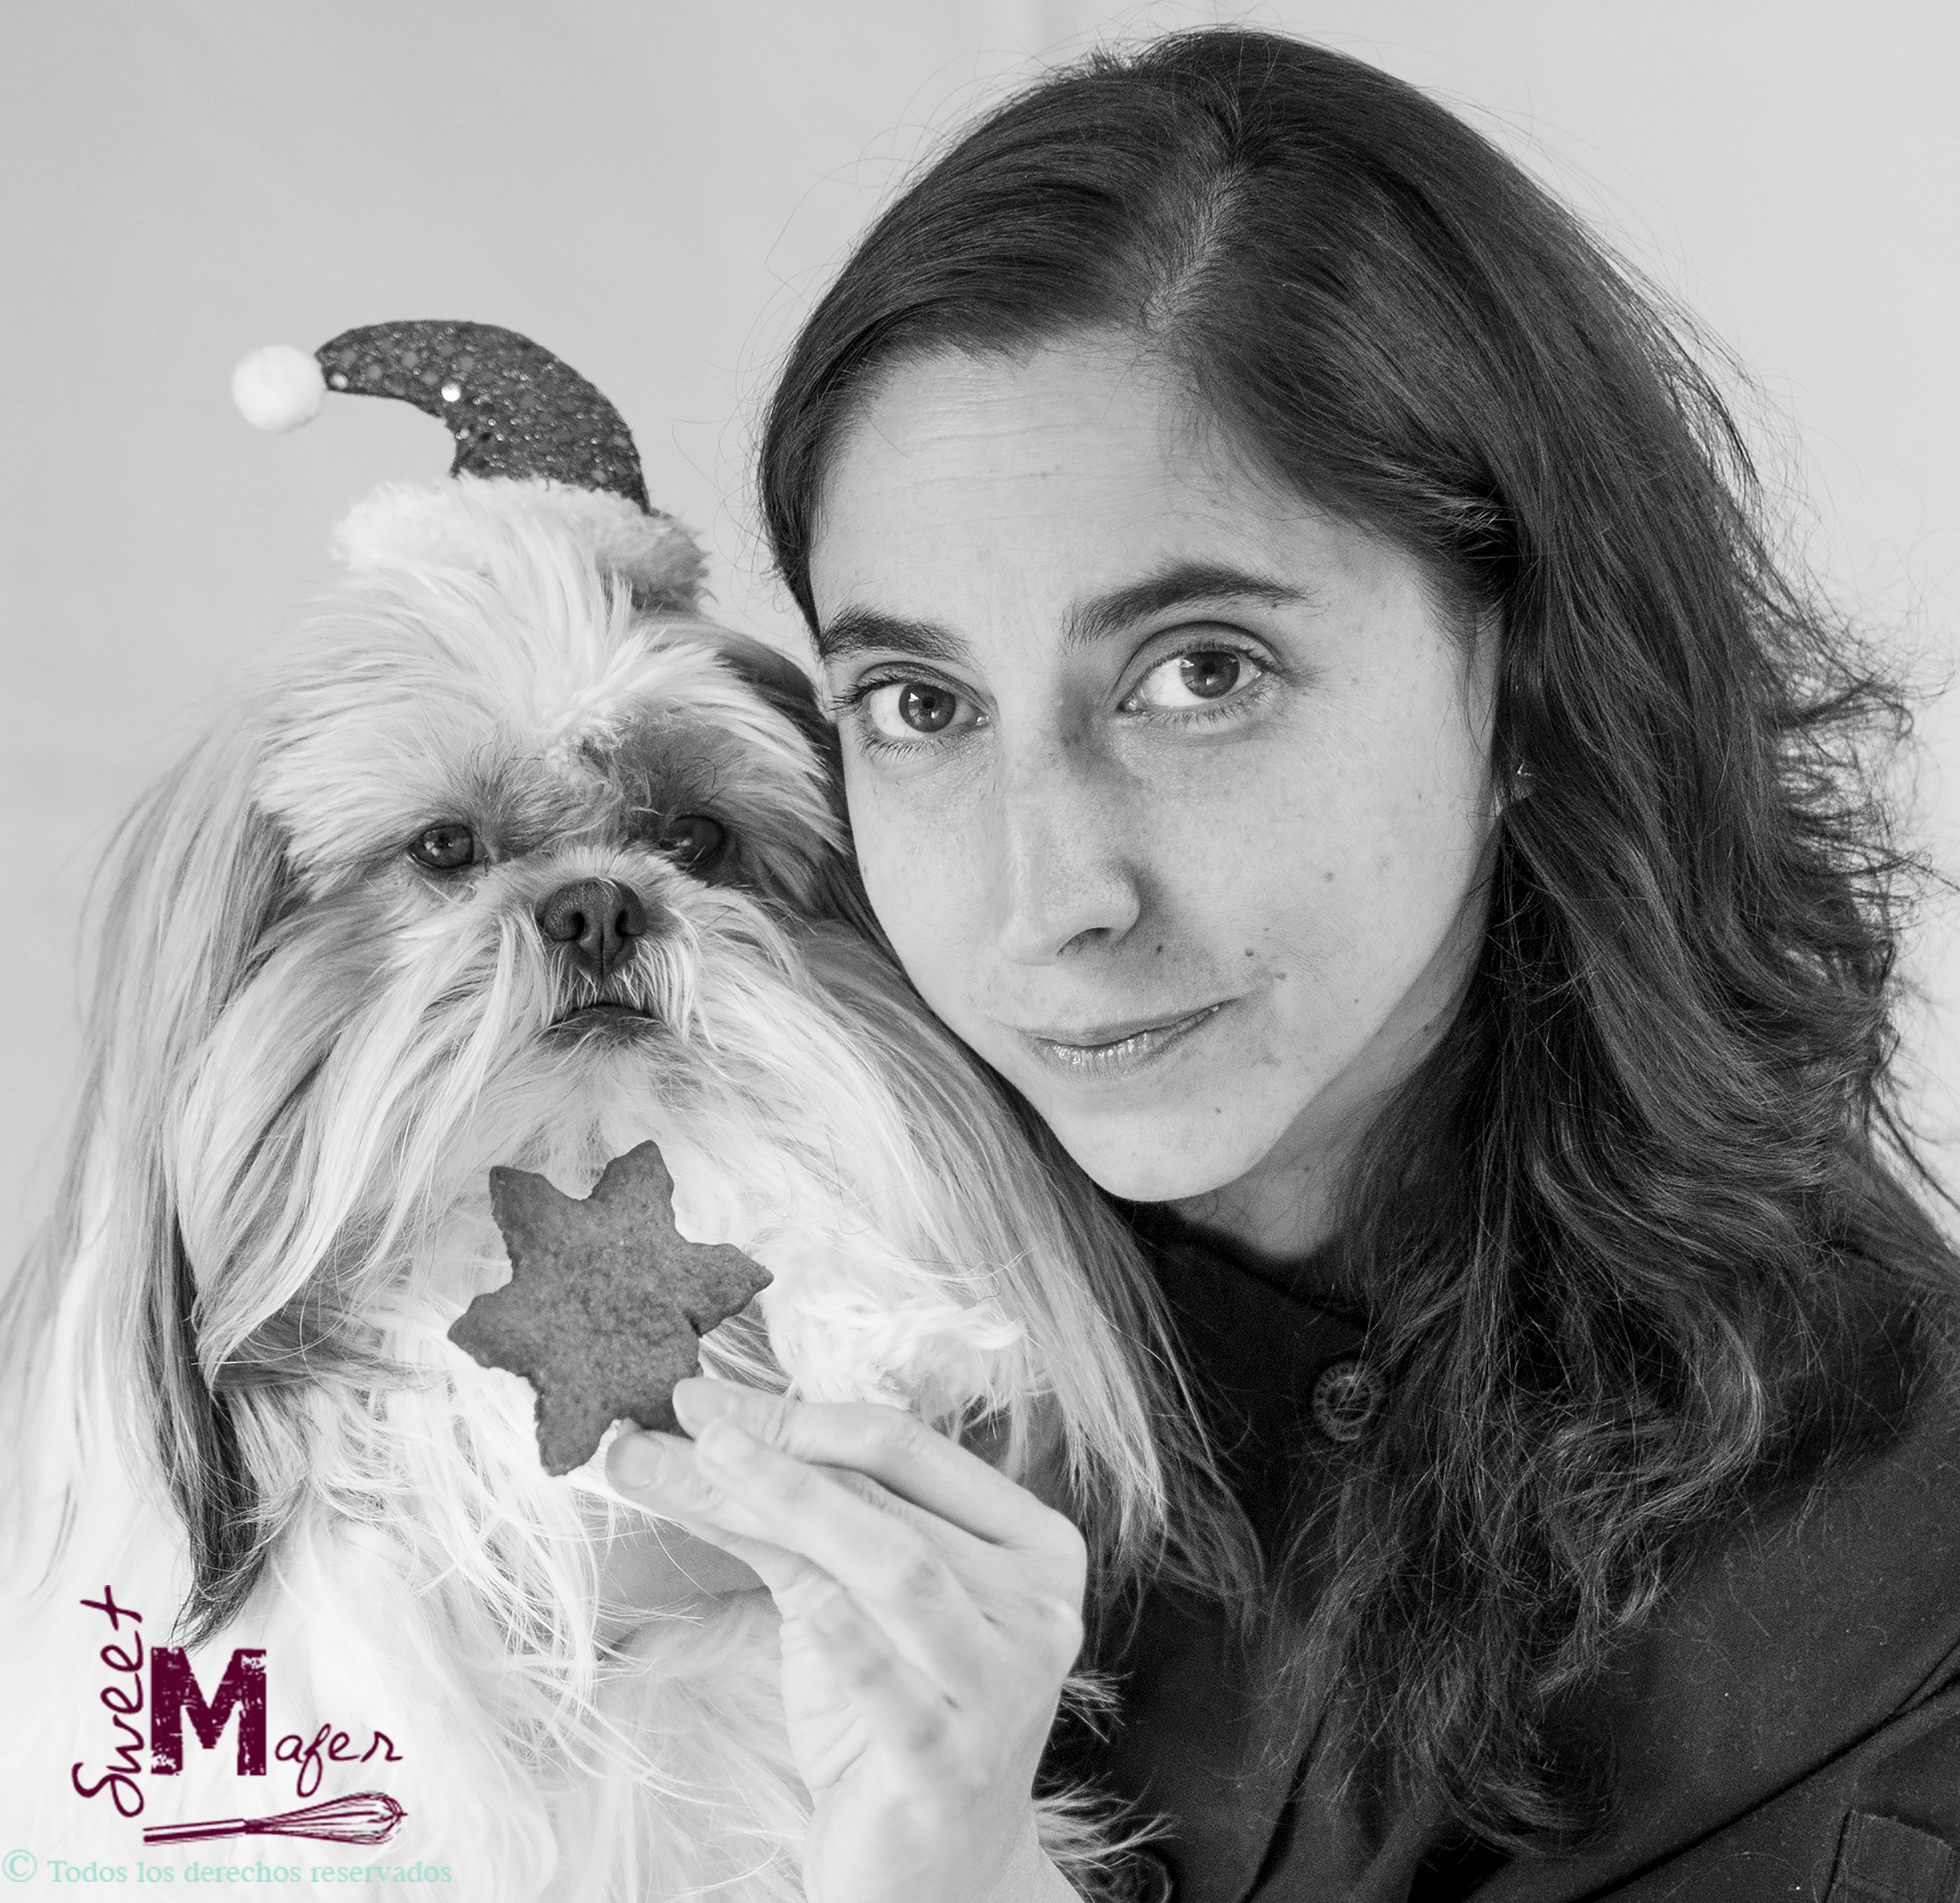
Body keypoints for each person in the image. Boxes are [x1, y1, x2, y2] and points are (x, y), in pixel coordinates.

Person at [604, 27, 1960, 1903]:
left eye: (1199, 675)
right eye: (917, 702)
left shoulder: (1882, 1567)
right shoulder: (752, 1291)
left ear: (1535, 681)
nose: (1048, 898)